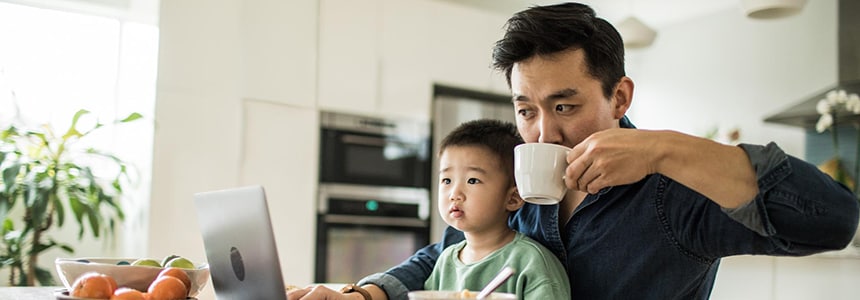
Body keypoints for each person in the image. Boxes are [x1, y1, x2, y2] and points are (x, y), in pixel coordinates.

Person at [289, 2, 860, 299]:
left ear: (620, 95)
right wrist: (365, 295)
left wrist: (660, 148)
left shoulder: (676, 191)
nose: (541, 134)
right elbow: (447, 255)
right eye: (526, 109)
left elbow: (832, 220)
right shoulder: (518, 182)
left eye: (564, 106)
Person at [424, 119, 569, 299]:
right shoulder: (445, 261)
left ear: (513, 199)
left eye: (472, 180)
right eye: (447, 180)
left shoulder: (531, 261)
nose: (455, 194)